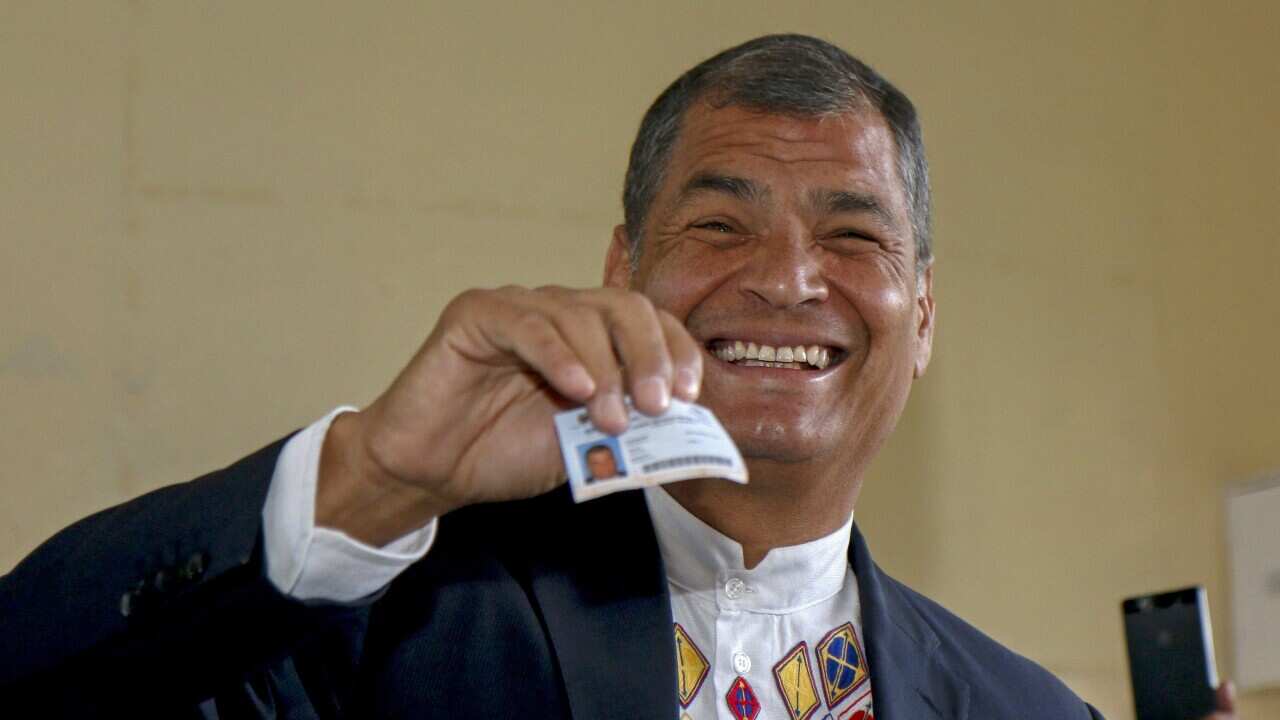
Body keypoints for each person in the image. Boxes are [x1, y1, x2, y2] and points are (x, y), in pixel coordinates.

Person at [0, 34, 1237, 719]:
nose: (789, 279)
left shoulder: (1026, 713)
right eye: (720, 225)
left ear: (921, 320)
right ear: (622, 270)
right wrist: (371, 475)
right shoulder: (382, 621)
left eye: (852, 236)